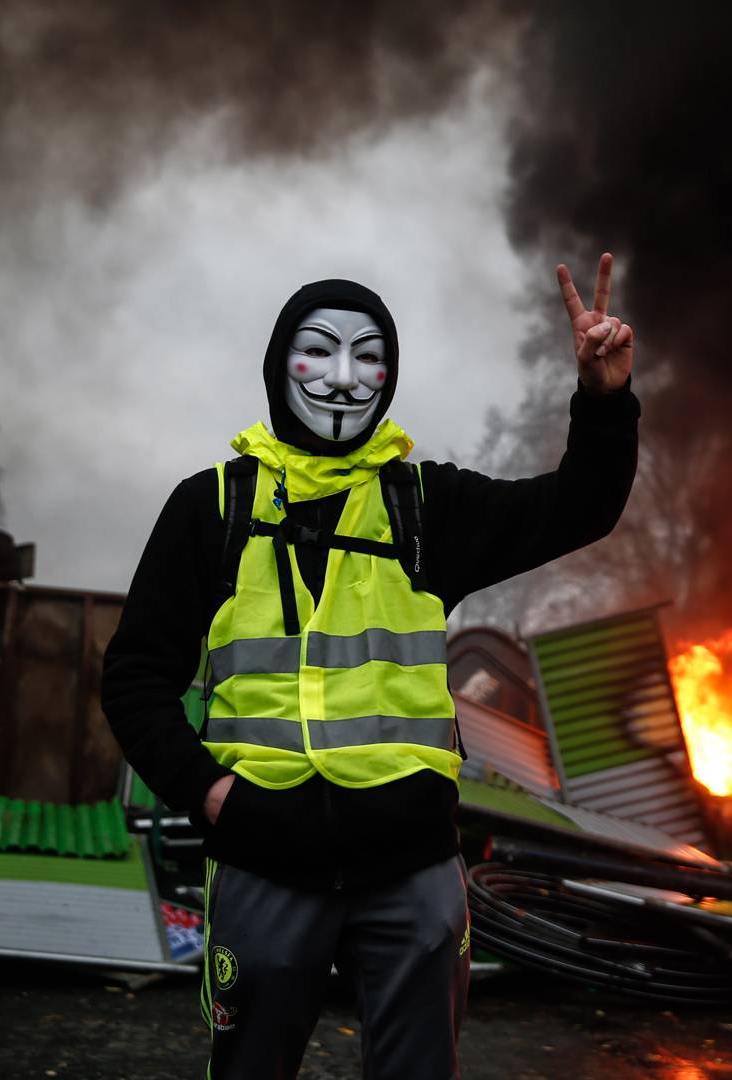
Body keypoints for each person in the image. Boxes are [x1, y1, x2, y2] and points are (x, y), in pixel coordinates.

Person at [102, 255, 638, 1079]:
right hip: (262, 854)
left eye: (369, 356)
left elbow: (579, 506)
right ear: (280, 364)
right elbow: (135, 677)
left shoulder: (425, 507)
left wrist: (603, 400)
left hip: (410, 865)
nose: (344, 378)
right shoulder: (211, 508)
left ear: (389, 376)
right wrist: (215, 796)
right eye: (319, 350)